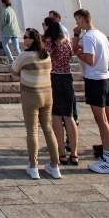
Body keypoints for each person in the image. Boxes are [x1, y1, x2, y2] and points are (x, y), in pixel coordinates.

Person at [72, 9, 109, 174]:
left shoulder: (89, 37)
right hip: (106, 79)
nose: (76, 24)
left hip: (94, 80)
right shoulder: (102, 35)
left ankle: (107, 160)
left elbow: (89, 60)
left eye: (77, 20)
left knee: (101, 120)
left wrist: (80, 55)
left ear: (82, 20)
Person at [11, 28, 61, 180]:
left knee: (32, 131)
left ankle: (33, 166)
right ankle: (55, 165)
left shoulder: (25, 55)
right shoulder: (46, 55)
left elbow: (14, 70)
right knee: (48, 129)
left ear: (31, 41)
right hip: (47, 95)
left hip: (31, 95)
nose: (23, 38)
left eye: (25, 37)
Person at [42, 16, 78, 165]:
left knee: (56, 116)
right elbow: (71, 56)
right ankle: (74, 154)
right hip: (67, 78)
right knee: (68, 116)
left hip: (52, 78)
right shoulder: (66, 44)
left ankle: (61, 152)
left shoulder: (46, 45)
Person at [0, 0, 21, 65]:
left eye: (2, 3)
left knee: (5, 44)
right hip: (15, 30)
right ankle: (22, 60)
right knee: (16, 47)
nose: (1, 4)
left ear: (4, 3)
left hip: (7, 30)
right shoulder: (12, 10)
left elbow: (3, 22)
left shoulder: (5, 11)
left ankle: (11, 59)